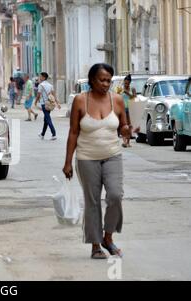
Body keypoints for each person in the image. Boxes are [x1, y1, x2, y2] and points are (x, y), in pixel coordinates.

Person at [62, 63, 138, 260]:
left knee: (115, 195)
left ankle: (108, 237)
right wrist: (68, 162)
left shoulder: (118, 100)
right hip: (87, 158)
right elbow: (73, 132)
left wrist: (128, 131)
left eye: (109, 81)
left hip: (112, 155)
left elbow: (123, 129)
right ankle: (95, 245)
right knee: (92, 201)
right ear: (91, 80)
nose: (106, 84)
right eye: (101, 80)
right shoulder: (80, 100)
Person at [35, 72, 61, 140]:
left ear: (44, 77)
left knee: (48, 119)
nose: (39, 78)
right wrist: (57, 103)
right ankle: (42, 134)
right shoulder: (50, 85)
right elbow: (54, 95)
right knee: (46, 119)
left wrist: (35, 102)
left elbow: (38, 95)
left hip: (44, 104)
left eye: (40, 76)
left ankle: (54, 134)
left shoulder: (40, 85)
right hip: (50, 104)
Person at [120, 74, 137, 148]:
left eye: (127, 83)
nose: (126, 84)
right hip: (122, 109)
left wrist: (127, 93)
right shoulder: (120, 89)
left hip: (130, 109)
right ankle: (124, 142)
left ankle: (128, 142)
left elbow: (134, 97)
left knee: (129, 126)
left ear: (130, 83)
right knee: (123, 125)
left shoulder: (132, 89)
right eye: (125, 83)